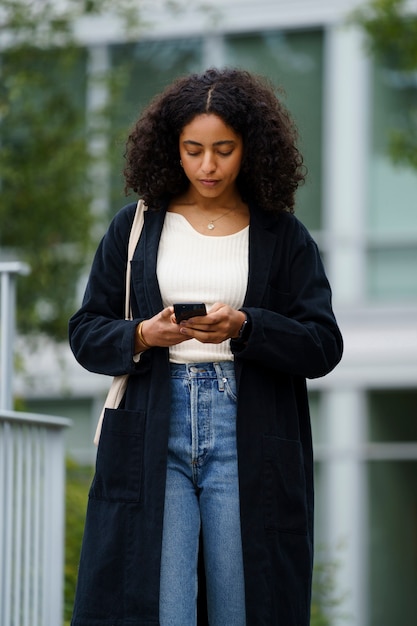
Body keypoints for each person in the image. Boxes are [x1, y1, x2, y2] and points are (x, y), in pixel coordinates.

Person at [69, 67, 343, 626]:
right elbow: (85, 332)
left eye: (224, 150)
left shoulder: (282, 235)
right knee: (158, 606)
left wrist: (246, 327)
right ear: (173, 150)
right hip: (153, 425)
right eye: (193, 150)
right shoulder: (136, 227)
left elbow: (323, 345)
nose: (208, 166)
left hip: (247, 428)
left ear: (252, 149)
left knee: (243, 606)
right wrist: (144, 334)